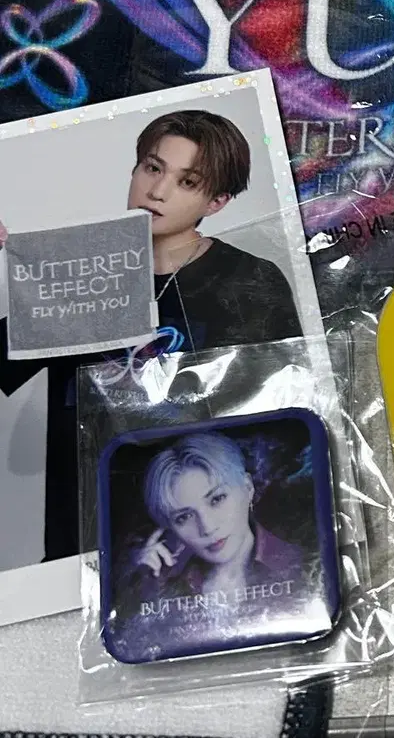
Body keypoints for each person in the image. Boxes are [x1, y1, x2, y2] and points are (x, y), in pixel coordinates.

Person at [0, 109, 302, 561]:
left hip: (203, 543)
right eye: (153, 168)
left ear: (216, 202)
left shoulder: (247, 280)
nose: (157, 191)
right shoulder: (79, 273)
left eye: (187, 182)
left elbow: (286, 416)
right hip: (84, 544)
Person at [133, 433, 301, 597]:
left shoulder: (301, 567)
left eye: (217, 499)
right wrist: (144, 584)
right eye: (184, 517)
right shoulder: (164, 586)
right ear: (171, 528)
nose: (207, 527)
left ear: (248, 488)